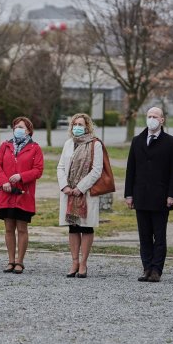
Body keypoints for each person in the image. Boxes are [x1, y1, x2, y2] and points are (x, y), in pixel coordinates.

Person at [124, 106, 173, 282]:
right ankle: (146, 267)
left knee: (159, 235)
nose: (152, 119)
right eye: (149, 116)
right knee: (144, 235)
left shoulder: (171, 142)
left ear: (162, 120)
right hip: (140, 195)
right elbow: (130, 169)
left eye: (155, 116)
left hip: (161, 197)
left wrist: (172, 195)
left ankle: (157, 269)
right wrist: (129, 194)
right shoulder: (137, 140)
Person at [0, 116, 44, 274]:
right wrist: (3, 182)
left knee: (22, 228)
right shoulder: (5, 145)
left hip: (24, 195)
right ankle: (10, 260)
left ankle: (19, 262)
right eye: (16, 126)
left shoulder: (35, 148)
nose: (18, 129)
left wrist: (21, 176)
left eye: (21, 127)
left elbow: (38, 170)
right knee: (9, 228)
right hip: (7, 194)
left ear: (29, 130)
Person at [57, 113, 103, 278]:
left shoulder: (95, 144)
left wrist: (80, 187)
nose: (77, 127)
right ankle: (74, 261)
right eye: (75, 124)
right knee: (73, 227)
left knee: (86, 227)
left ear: (87, 126)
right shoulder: (68, 143)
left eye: (80, 124)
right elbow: (60, 166)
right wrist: (65, 186)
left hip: (86, 193)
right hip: (69, 193)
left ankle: (83, 262)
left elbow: (97, 170)